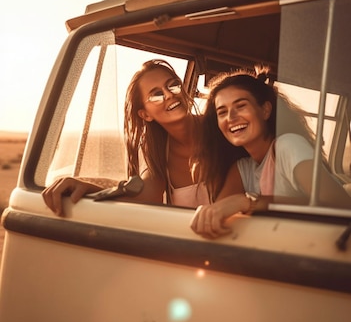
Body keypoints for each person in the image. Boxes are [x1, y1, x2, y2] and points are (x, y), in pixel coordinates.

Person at [190, 68, 351, 238]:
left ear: (265, 110)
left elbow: (339, 205)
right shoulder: (243, 168)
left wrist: (247, 202)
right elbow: (217, 216)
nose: (231, 117)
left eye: (241, 105)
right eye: (222, 112)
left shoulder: (288, 145)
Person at [42, 59, 209, 215]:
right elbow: (147, 197)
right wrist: (87, 188)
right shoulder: (155, 149)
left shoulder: (217, 127)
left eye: (173, 86)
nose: (169, 95)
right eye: (156, 95)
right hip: (190, 243)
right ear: (145, 114)